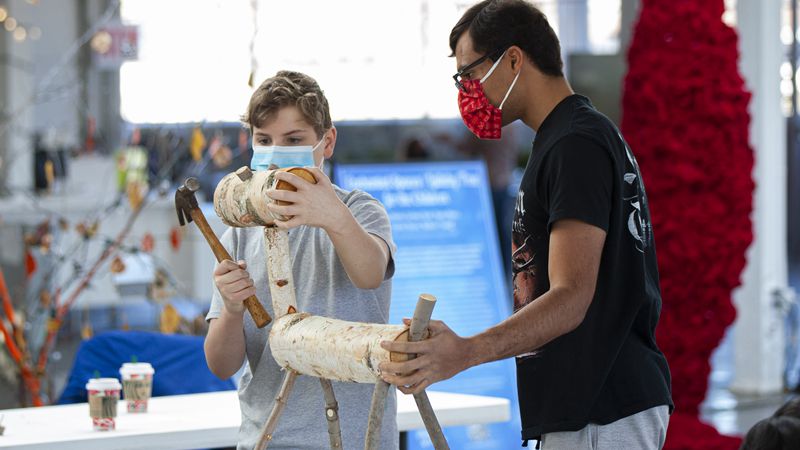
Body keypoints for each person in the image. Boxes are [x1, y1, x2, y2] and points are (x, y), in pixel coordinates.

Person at [379, 1, 673, 448]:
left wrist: (467, 351)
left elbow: (571, 297)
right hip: (589, 408)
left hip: (603, 409)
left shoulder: (575, 144)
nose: (468, 91)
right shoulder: (566, 138)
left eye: (470, 73)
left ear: (514, 59)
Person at [203, 71, 398, 449]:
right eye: (264, 141)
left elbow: (370, 274)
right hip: (267, 437)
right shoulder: (243, 231)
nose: (276, 155)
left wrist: (332, 215)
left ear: (327, 142)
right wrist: (229, 309)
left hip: (356, 438)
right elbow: (221, 365)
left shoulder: (360, 210)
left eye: (294, 140)